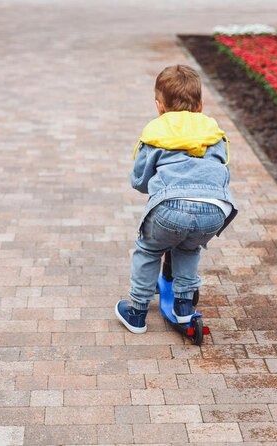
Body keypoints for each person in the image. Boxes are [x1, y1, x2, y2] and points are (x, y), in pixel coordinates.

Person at [116, 64, 238, 334]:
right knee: (188, 248)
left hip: (170, 208)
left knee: (149, 249)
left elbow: (139, 181)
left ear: (159, 106)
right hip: (215, 209)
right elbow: (223, 170)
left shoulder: (156, 133)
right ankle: (184, 307)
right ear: (201, 104)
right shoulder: (213, 133)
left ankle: (136, 311)